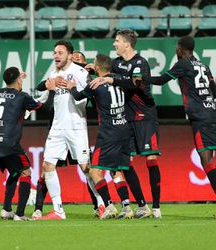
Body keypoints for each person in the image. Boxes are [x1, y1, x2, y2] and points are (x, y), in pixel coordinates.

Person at [143, 36, 216, 219]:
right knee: (206, 160)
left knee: (207, 160)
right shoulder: (203, 65)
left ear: (179, 49)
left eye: (176, 48)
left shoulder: (183, 64)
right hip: (208, 114)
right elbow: (215, 92)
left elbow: (162, 80)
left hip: (200, 117)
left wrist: (141, 78)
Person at [89, 29, 162, 218]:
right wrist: (89, 66)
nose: (114, 44)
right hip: (126, 119)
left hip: (144, 116)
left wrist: (110, 79)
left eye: (117, 41)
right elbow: (104, 70)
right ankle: (141, 206)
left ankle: (156, 207)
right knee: (125, 164)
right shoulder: (116, 63)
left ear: (127, 44)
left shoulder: (140, 62)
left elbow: (135, 83)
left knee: (151, 159)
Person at [33, 40, 104, 220]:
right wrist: (50, 87)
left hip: (75, 126)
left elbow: (83, 99)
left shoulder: (79, 73)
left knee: (86, 167)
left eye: (60, 53)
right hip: (57, 126)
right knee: (47, 166)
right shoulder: (54, 73)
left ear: (70, 56)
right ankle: (58, 210)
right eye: (55, 52)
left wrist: (70, 88)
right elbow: (42, 95)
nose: (56, 56)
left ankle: (103, 204)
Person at [67, 54, 134, 219]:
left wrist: (72, 86)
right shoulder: (119, 79)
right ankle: (127, 207)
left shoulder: (95, 84)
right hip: (124, 130)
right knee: (116, 171)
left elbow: (77, 97)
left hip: (108, 133)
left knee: (95, 171)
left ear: (97, 68)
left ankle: (109, 206)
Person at [0, 67, 54, 221]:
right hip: (8, 144)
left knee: (14, 172)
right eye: (20, 79)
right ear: (18, 80)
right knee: (25, 172)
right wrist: (52, 91)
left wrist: (17, 78)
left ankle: (6, 209)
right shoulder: (22, 97)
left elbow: (10, 92)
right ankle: (20, 214)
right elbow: (47, 109)